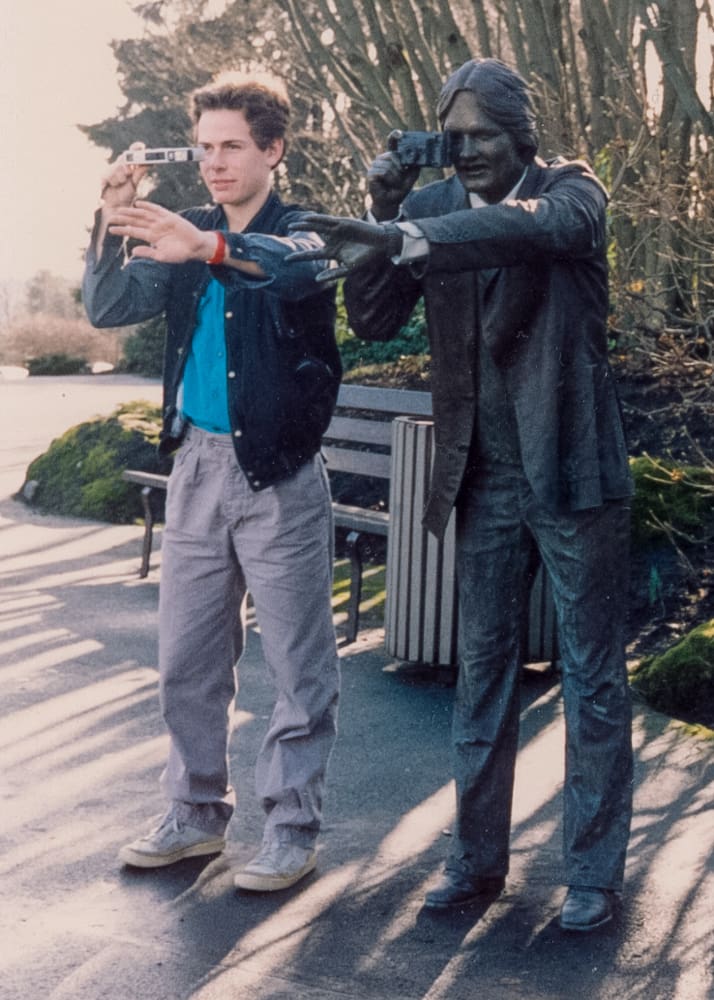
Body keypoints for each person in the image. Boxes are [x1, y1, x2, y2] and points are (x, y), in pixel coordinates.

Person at [289, 58, 634, 931]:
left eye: (483, 133)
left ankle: (592, 871)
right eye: (454, 135)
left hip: (573, 470)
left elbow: (536, 227)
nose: (467, 148)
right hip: (483, 474)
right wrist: (382, 217)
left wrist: (416, 237)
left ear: (522, 132)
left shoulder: (571, 189)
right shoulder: (430, 209)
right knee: (481, 673)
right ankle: (475, 862)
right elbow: (369, 319)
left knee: (594, 676)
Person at [83, 71, 342, 893]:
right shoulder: (183, 229)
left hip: (280, 474)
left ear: (273, 149)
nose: (215, 164)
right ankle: (194, 816)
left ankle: (292, 829)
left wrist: (215, 249)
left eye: (232, 146)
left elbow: (298, 273)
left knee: (299, 667)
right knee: (186, 660)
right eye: (204, 149)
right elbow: (111, 308)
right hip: (195, 464)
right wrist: (107, 216)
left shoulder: (303, 229)